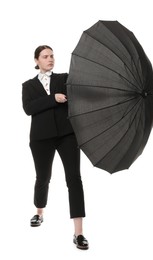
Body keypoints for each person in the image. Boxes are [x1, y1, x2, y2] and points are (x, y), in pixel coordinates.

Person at [22, 45, 89, 250]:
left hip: (67, 136)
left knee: (74, 179)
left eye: (52, 56)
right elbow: (28, 108)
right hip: (41, 138)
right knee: (43, 177)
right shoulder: (28, 85)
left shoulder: (64, 78)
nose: (50, 59)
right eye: (45, 56)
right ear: (36, 61)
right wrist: (54, 99)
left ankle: (79, 233)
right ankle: (39, 212)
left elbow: (79, 92)